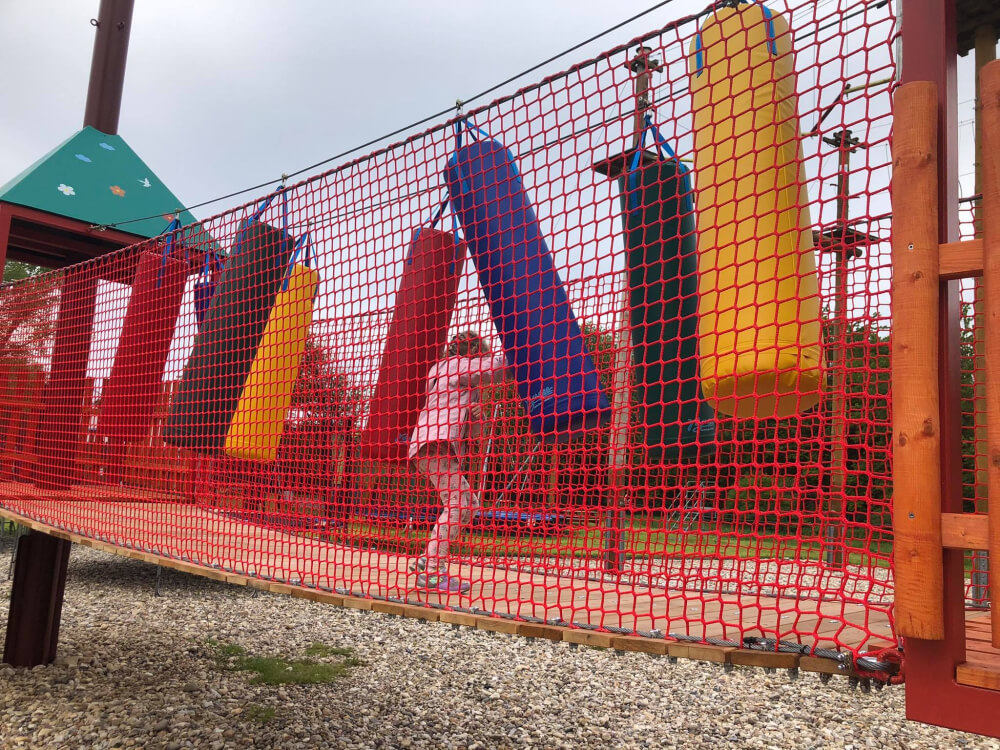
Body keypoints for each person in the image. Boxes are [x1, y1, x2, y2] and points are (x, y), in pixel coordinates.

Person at [408, 330, 509, 593]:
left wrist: (477, 415)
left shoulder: (451, 376)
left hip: (433, 445)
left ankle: (428, 558)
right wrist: (524, 351)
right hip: (435, 443)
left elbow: (474, 433)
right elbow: (498, 367)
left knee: (470, 505)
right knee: (456, 504)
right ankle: (432, 572)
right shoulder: (456, 365)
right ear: (473, 352)